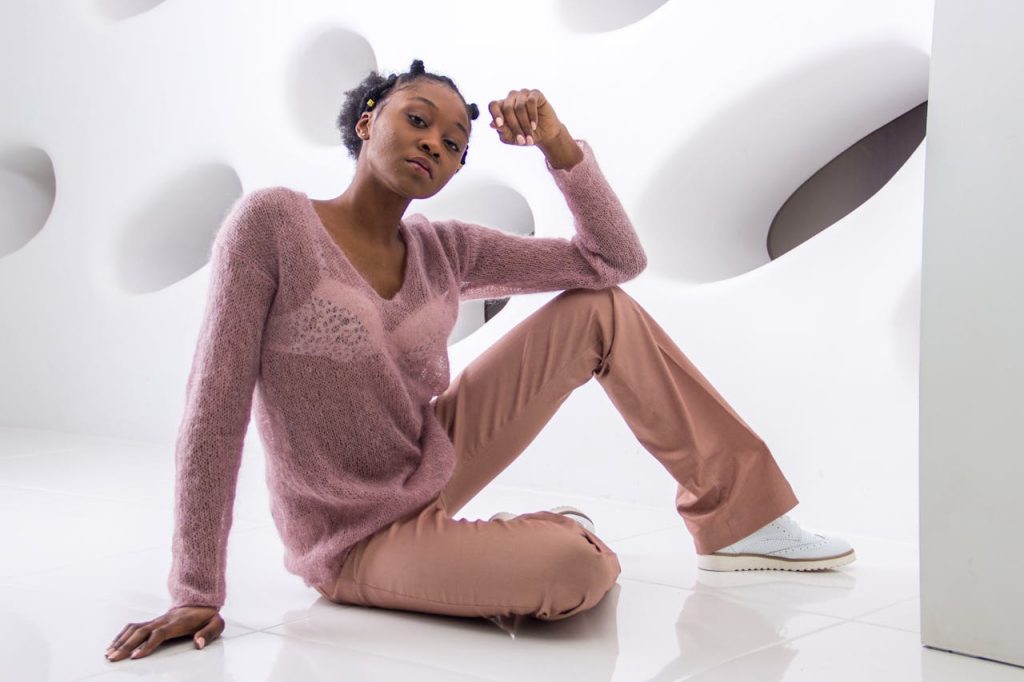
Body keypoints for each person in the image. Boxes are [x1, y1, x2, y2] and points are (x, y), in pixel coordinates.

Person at [104, 58, 855, 663]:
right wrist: (195, 588)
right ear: (370, 121)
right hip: (354, 536)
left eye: (455, 142)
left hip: (434, 454)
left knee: (600, 313)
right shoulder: (272, 224)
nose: (435, 142)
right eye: (418, 119)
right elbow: (215, 406)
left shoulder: (445, 248)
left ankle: (740, 519)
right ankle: (541, 535)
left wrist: (559, 147)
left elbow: (614, 262)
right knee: (576, 570)